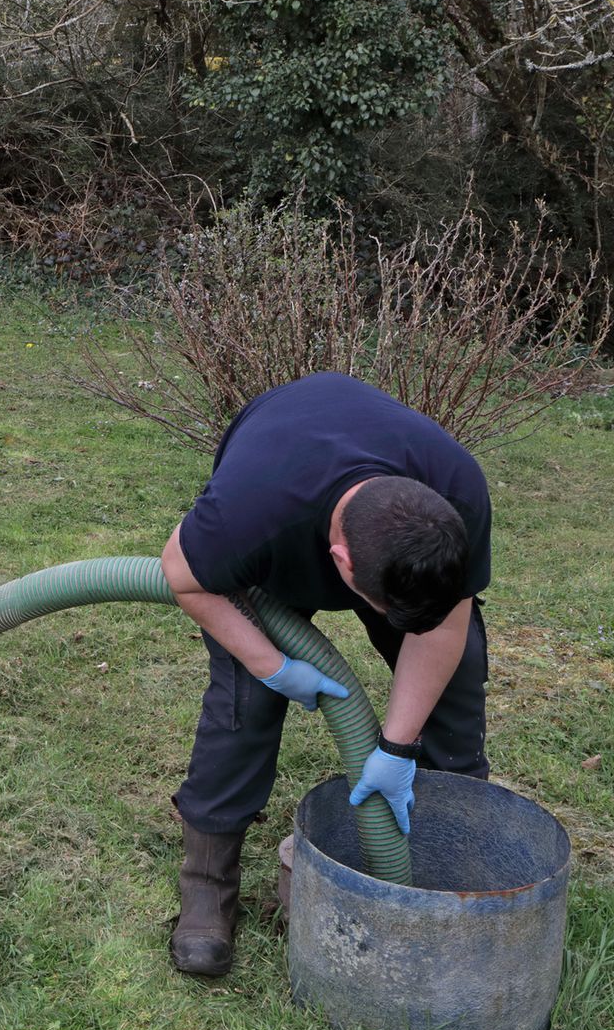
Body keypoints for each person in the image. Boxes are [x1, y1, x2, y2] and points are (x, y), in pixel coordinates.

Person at [159, 372, 493, 977]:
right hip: (277, 524)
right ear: (339, 563)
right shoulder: (250, 513)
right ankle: (206, 886)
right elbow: (180, 574)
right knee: (246, 706)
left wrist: (397, 744)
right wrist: (275, 665)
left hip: (380, 526)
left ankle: (451, 864)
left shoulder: (456, 493)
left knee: (455, 689)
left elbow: (443, 627)